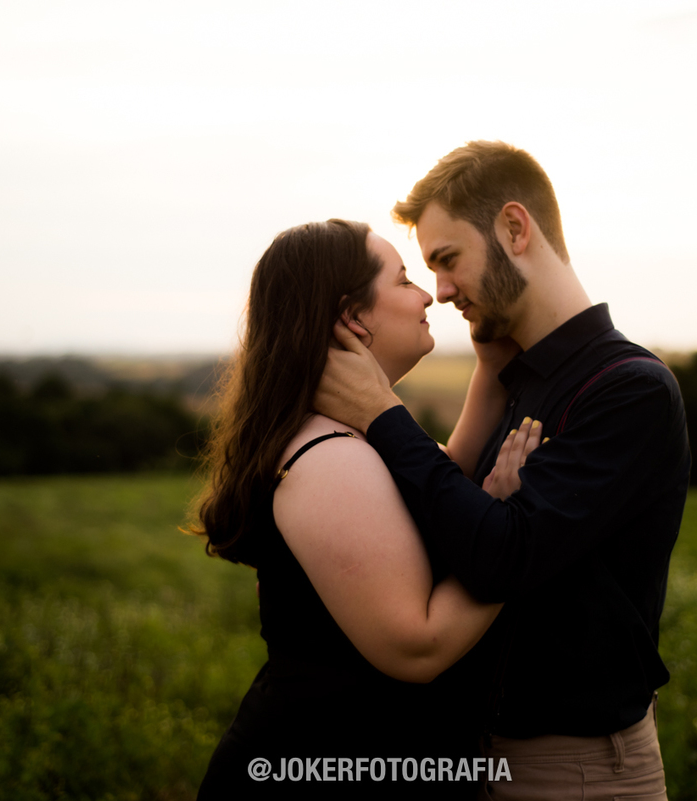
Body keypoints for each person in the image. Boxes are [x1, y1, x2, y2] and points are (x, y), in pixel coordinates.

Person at [314, 141, 691, 800]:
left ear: (515, 229)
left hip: (575, 770)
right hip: (487, 756)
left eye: (448, 259)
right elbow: (450, 527)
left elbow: (499, 558)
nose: (441, 290)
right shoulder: (517, 380)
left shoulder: (627, 390)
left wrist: (382, 412)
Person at [191, 219, 540, 800]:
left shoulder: (348, 438)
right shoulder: (330, 459)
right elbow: (417, 646)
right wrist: (510, 528)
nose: (427, 293)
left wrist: (490, 370)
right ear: (353, 317)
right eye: (403, 280)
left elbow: (433, 487)